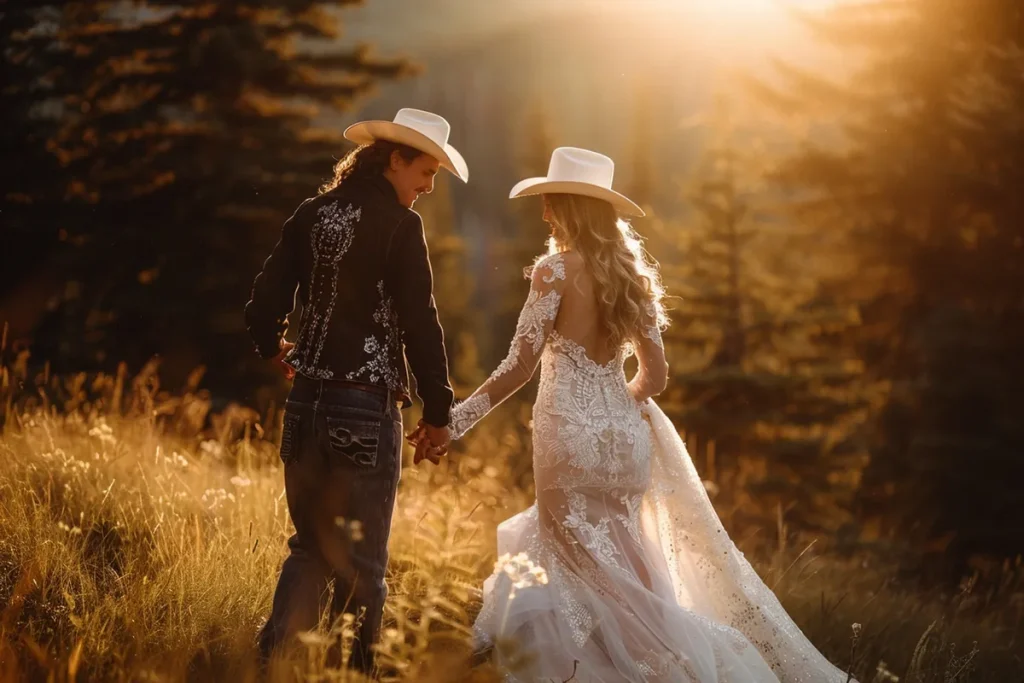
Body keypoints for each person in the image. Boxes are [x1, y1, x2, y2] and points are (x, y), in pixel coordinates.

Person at [411, 147, 854, 682]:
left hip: (568, 436)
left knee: (574, 561)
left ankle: (643, 668)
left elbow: (519, 366)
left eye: (551, 202)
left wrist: (454, 422)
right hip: (624, 439)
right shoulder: (631, 278)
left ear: (570, 208)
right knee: (628, 565)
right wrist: (616, 403)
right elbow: (655, 377)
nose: (545, 213)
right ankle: (654, 659)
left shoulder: (554, 271)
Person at [244, 108, 465, 672]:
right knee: (363, 560)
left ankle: (272, 667)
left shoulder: (311, 213)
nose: (429, 186)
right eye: (425, 172)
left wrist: (274, 347)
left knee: (310, 548)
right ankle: (356, 673)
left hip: (305, 402)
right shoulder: (399, 225)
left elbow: (265, 300)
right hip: (365, 407)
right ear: (394, 159)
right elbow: (420, 323)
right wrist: (438, 413)